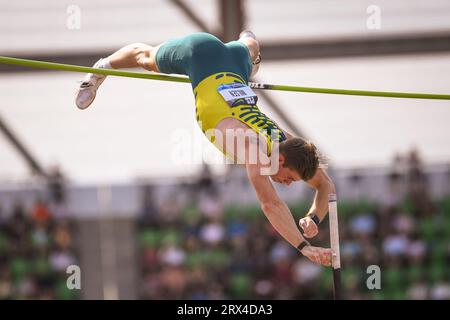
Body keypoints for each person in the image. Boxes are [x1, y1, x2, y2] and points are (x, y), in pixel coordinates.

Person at [75, 31, 335, 266]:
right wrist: (304, 248)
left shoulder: (284, 139)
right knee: (146, 59)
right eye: (289, 178)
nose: (287, 184)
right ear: (280, 159)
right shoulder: (252, 147)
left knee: (250, 46)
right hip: (200, 54)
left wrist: (313, 218)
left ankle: (248, 42)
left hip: (236, 64)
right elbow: (270, 204)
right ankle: (101, 68)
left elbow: (325, 185)